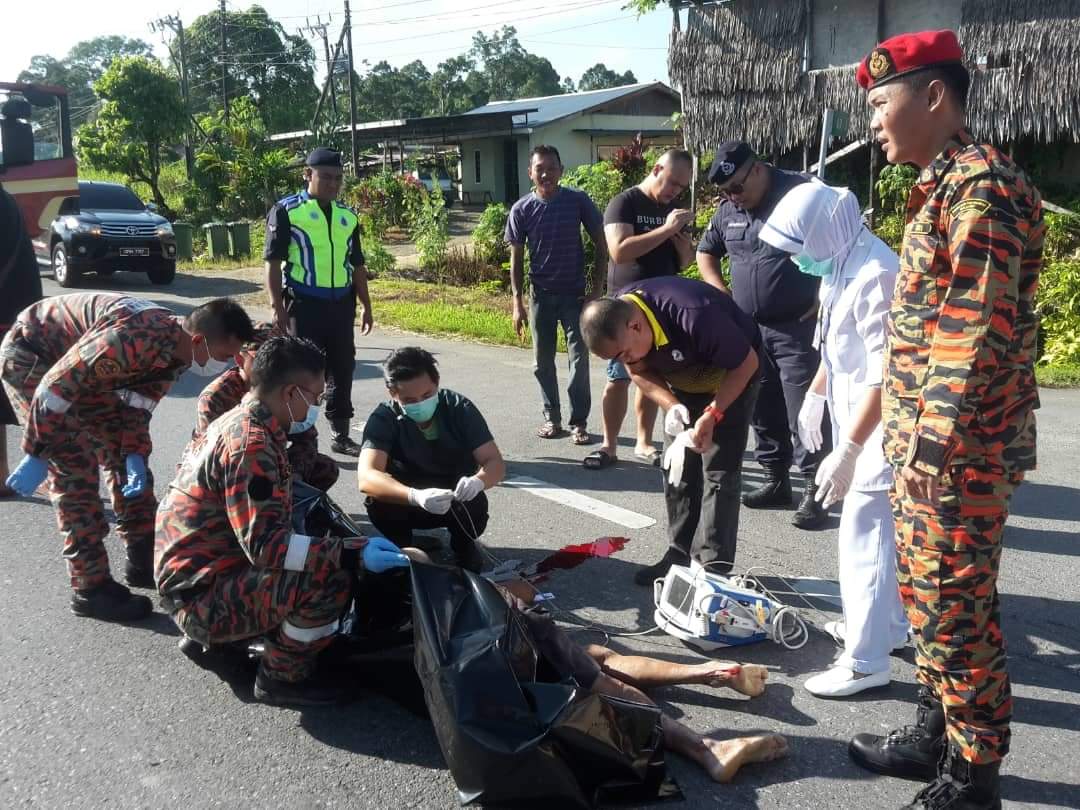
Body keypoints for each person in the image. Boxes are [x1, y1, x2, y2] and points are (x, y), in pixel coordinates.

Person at [848, 30, 1043, 810]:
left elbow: (972, 328)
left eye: (880, 104)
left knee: (956, 612)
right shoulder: (945, 184)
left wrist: (929, 447)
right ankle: (936, 733)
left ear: (933, 97)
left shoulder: (982, 189)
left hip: (959, 453)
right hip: (933, 448)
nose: (873, 122)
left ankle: (972, 780)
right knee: (933, 601)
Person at [157, 335, 413, 706]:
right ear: (291, 393)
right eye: (316, 397)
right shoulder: (252, 446)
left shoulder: (243, 421)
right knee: (329, 578)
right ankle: (282, 677)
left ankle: (225, 644)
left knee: (312, 543)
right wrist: (353, 552)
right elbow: (267, 548)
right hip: (199, 596)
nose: (316, 406)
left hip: (199, 576)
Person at [2, 294, 253, 622]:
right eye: (225, 356)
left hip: (80, 369)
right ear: (198, 340)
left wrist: (133, 453)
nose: (228, 363)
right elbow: (55, 387)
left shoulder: (178, 352)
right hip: (33, 356)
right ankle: (90, 588)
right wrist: (37, 450)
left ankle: (141, 554)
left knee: (124, 455)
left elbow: (137, 406)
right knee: (75, 467)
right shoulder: (131, 340)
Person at [759, 181, 908, 697]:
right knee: (871, 536)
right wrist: (816, 394)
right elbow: (833, 345)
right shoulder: (841, 264)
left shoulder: (878, 273)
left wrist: (849, 448)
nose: (797, 258)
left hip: (878, 430)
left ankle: (866, 662)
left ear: (824, 233)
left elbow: (885, 375)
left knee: (866, 539)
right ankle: (887, 629)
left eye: (801, 245)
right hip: (854, 420)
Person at [499, 581, 787, 783]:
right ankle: (707, 749)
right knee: (598, 677)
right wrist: (517, 588)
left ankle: (706, 672)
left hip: (492, 685)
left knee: (594, 654)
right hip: (516, 677)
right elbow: (524, 593)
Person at [581, 276, 760, 585]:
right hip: (684, 380)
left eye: (623, 354)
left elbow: (746, 364)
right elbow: (638, 371)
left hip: (732, 376)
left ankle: (713, 568)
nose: (624, 361)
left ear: (636, 326)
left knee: (719, 471)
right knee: (677, 467)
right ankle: (678, 555)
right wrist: (672, 405)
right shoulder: (623, 322)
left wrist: (713, 414)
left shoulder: (695, 315)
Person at [697, 141, 828, 529]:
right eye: (725, 192)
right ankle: (775, 479)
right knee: (762, 407)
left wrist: (825, 293)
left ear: (756, 169)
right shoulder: (729, 209)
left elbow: (845, 244)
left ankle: (816, 489)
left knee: (805, 410)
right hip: (750, 328)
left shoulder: (802, 193)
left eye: (737, 187)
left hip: (796, 326)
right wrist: (719, 290)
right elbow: (706, 250)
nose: (733, 197)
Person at [586, 149, 695, 470]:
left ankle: (644, 443)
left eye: (682, 186)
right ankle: (609, 446)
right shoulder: (625, 203)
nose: (675, 190)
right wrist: (665, 229)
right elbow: (619, 251)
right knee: (619, 377)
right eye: (672, 182)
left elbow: (686, 262)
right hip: (625, 308)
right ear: (656, 168)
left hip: (661, 310)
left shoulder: (673, 210)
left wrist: (681, 242)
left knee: (652, 375)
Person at [264, 147, 374, 457]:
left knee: (343, 367)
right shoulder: (287, 211)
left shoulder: (347, 216)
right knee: (304, 371)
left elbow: (357, 265)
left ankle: (341, 434)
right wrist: (277, 308)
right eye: (325, 177)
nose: (333, 184)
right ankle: (298, 435)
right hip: (304, 303)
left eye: (338, 178)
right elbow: (272, 264)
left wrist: (366, 305)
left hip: (340, 305)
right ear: (307, 175)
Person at [358, 347, 506, 573]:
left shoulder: (459, 408)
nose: (419, 404)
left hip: (454, 497)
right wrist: (415, 496)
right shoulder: (384, 418)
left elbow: (494, 461)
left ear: (437, 383)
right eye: (409, 400)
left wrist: (478, 481)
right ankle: (404, 547)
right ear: (393, 394)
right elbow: (367, 477)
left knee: (475, 504)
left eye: (427, 396)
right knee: (379, 502)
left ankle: (463, 545)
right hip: (406, 501)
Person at [506, 144, 606, 445]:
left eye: (552, 168)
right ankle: (552, 417)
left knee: (579, 359)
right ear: (530, 173)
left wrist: (596, 290)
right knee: (542, 362)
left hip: (575, 296)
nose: (546, 174)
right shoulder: (522, 209)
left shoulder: (577, 201)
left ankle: (579, 422)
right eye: (540, 169)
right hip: (540, 296)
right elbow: (516, 259)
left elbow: (602, 246)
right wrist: (517, 303)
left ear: (561, 171)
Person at [193, 323, 339, 492]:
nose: (274, 366)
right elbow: (212, 454)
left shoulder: (287, 391)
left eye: (280, 361)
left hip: (272, 456)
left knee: (325, 468)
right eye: (263, 358)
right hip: (228, 467)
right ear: (240, 359)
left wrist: (294, 473)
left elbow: (307, 440)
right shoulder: (216, 396)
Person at [0, 185, 43, 497]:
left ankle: (64, 479)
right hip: (19, 314)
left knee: (37, 400)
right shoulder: (5, 201)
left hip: (9, 316)